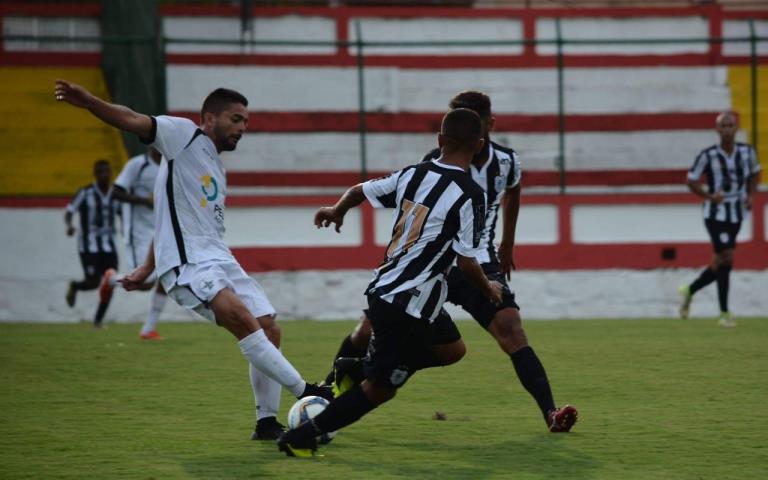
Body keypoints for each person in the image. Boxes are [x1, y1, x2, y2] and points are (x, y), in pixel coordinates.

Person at [55, 79, 330, 440]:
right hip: (189, 264)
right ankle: (308, 393)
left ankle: (266, 423)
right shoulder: (182, 135)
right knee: (242, 320)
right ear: (210, 118)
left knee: (269, 328)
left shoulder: (216, 168)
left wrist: (146, 266)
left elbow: (168, 215)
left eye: (246, 122)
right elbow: (132, 119)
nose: (242, 128)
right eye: (236, 119)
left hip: (218, 256)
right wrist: (91, 101)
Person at [321, 91, 578, 433]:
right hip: (432, 265)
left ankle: (550, 413)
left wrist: (507, 243)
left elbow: (513, 192)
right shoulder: (437, 161)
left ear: (488, 125)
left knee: (511, 329)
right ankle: (328, 387)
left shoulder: (507, 161)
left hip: (478, 259)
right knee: (367, 330)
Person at [276, 108, 504, 457]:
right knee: (380, 389)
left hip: (401, 295)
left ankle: (359, 366)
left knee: (452, 350)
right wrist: (489, 289)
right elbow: (467, 261)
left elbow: (360, 190)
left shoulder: (414, 173)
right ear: (480, 145)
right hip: (406, 304)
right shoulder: (472, 194)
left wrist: (337, 210)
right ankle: (301, 436)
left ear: (439, 140)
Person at [678, 112, 761, 327]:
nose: (726, 129)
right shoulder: (708, 155)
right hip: (715, 214)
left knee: (722, 262)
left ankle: (689, 290)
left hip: (736, 213)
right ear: (717, 130)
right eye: (723, 126)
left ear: (736, 128)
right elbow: (691, 180)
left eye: (730, 125)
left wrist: (750, 195)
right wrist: (709, 196)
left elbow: (755, 174)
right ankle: (724, 313)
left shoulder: (747, 152)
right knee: (727, 255)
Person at [99, 147, 168, 340]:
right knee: (144, 282)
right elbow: (115, 192)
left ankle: (148, 329)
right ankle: (111, 279)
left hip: (162, 228)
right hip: (139, 231)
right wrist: (143, 200)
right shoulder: (137, 165)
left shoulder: (170, 164)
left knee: (170, 276)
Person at [64, 159, 121, 327]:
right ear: (95, 174)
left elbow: (123, 212)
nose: (105, 175)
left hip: (109, 246)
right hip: (88, 246)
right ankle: (75, 286)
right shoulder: (85, 192)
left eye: (107, 171)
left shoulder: (115, 194)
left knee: (111, 281)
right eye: (101, 172)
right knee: (94, 282)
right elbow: (69, 211)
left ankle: (98, 320)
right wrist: (69, 225)